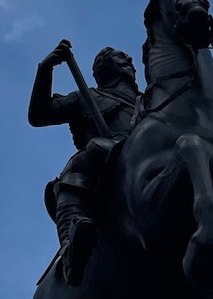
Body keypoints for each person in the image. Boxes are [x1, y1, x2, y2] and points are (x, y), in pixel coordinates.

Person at [27, 40, 141, 286]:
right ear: (107, 68)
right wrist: (45, 68)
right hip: (99, 163)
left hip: (144, 161)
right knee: (75, 172)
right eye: (122, 57)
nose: (130, 61)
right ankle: (71, 248)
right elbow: (39, 115)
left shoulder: (150, 102)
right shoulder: (86, 96)